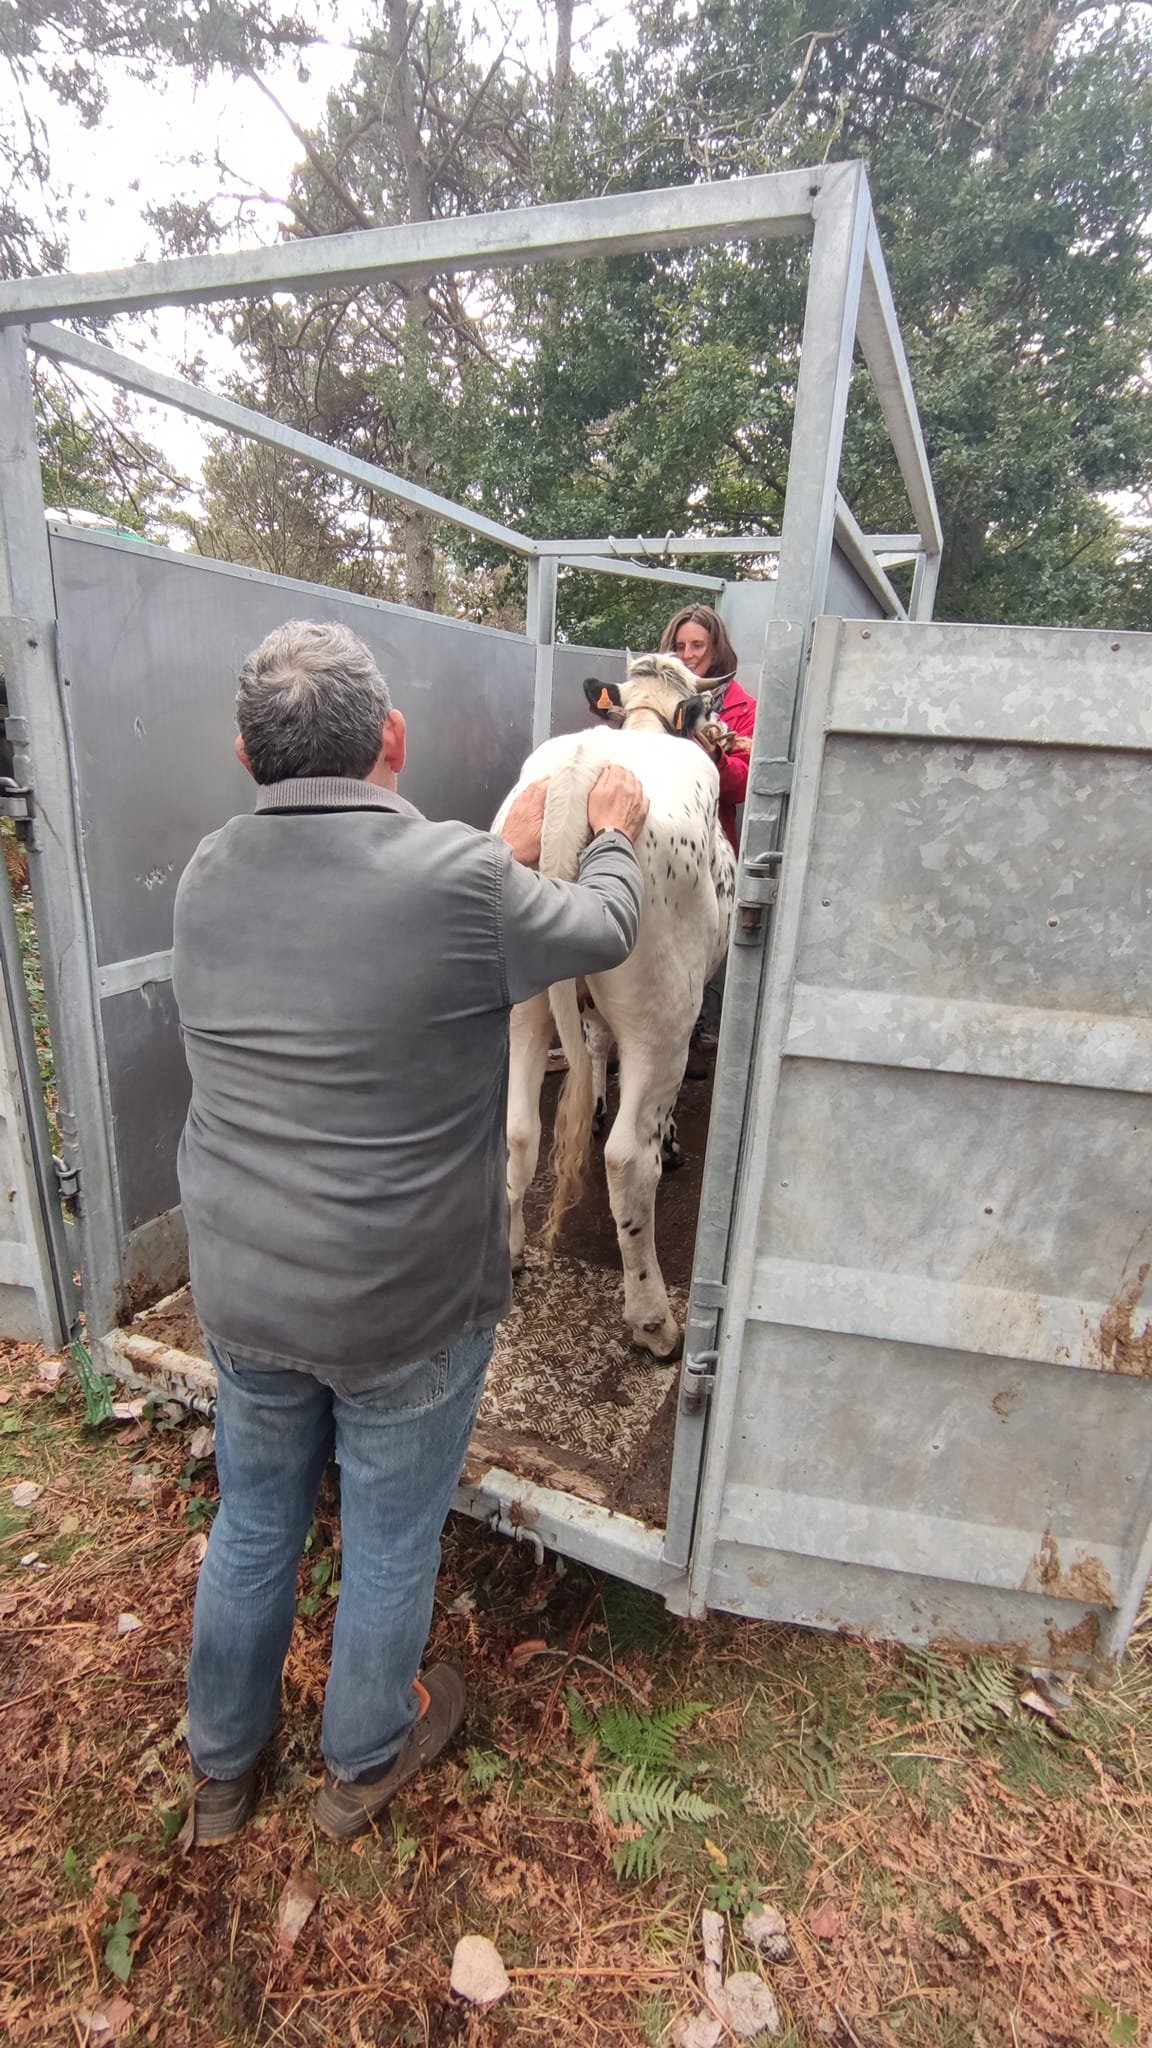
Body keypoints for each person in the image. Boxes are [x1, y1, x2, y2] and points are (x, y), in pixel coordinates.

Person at [171, 619, 649, 1845]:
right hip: (405, 1302)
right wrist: (608, 832)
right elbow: (601, 929)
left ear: (244, 754)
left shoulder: (208, 873)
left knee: (255, 1521)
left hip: (245, 1285)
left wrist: (488, 862)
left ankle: (220, 1771)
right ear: (393, 735)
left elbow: (357, 931)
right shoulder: (463, 882)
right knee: (390, 1536)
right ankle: (363, 1757)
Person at [658, 604, 757, 854]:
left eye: (697, 645)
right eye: (679, 646)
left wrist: (716, 758)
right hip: (657, 832)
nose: (687, 655)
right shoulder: (655, 697)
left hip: (709, 844)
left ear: (716, 648)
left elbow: (744, 786)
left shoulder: (744, 709)